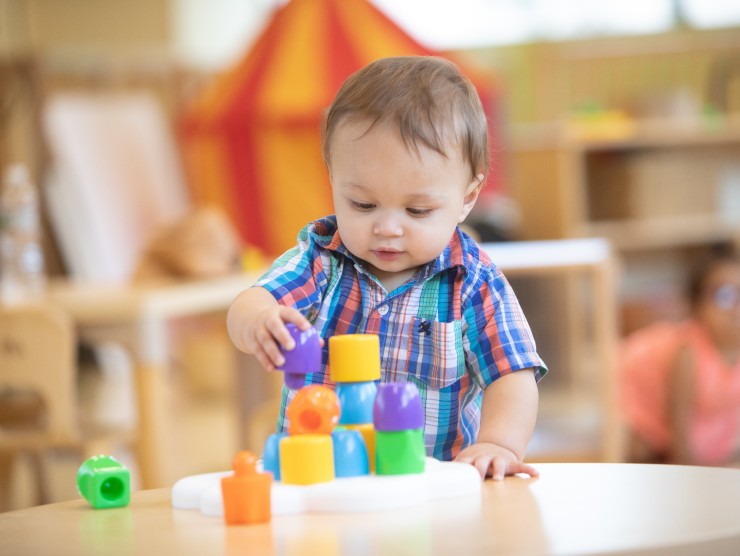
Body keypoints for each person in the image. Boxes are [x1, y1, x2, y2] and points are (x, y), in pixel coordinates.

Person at [227, 56, 547, 480]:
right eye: (363, 204)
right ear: (333, 180)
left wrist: (498, 442)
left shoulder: (473, 283)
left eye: (417, 210)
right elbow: (252, 302)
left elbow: (512, 372)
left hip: (430, 488)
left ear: (467, 198)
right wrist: (258, 320)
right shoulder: (321, 260)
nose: (387, 228)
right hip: (321, 483)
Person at [620, 247, 740, 466]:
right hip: (641, 393)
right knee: (642, 451)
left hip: (704, 419)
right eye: (724, 296)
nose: (735, 309)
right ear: (697, 306)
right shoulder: (688, 354)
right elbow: (679, 432)